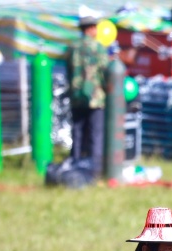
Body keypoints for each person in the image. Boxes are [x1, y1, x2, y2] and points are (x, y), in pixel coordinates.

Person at [65, 13, 110, 168]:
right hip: (95, 97)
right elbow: (105, 72)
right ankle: (94, 167)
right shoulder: (98, 47)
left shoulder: (72, 47)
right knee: (95, 134)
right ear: (91, 29)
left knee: (77, 132)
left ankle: (74, 164)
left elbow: (69, 71)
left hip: (76, 96)